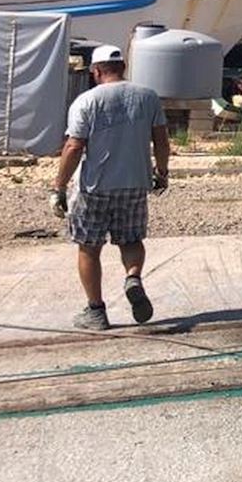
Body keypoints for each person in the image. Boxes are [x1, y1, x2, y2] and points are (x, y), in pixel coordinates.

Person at [49, 44, 171, 331]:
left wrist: (59, 186)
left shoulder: (86, 101)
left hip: (95, 187)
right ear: (123, 68)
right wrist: (161, 173)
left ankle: (96, 312)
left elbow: (74, 146)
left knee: (89, 248)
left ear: (96, 71)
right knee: (130, 240)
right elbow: (162, 141)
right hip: (135, 183)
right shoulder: (148, 97)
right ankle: (133, 277)